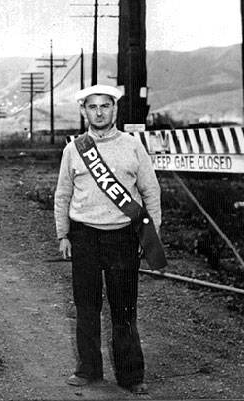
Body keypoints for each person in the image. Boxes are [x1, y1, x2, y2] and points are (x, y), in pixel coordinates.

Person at [53, 84, 161, 395]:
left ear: (114, 109)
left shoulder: (132, 146)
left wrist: (151, 235)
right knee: (86, 307)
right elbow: (63, 195)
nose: (99, 112)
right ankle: (88, 370)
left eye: (105, 106)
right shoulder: (74, 150)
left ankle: (131, 375)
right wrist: (63, 234)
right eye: (92, 107)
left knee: (124, 309)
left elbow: (151, 192)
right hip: (84, 235)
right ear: (83, 111)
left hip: (123, 237)